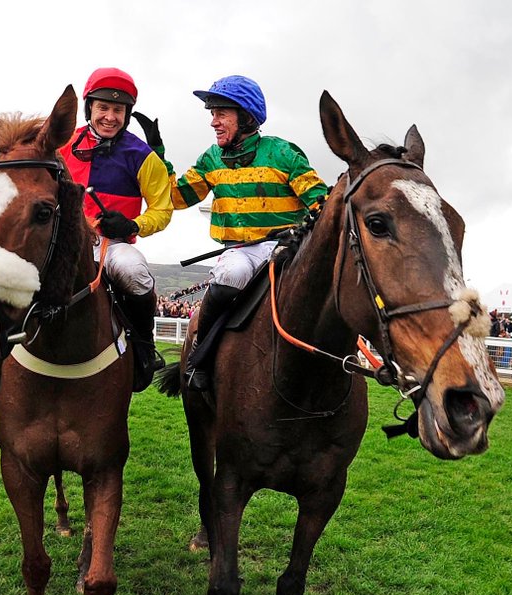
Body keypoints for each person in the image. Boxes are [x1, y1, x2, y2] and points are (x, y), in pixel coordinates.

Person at [168, 75, 330, 391]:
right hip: (239, 251)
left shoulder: (283, 153)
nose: (213, 122)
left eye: (220, 113)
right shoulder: (211, 159)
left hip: (285, 247)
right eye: (212, 114)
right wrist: (159, 156)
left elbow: (318, 201)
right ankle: (199, 356)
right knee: (231, 274)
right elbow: (177, 197)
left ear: (245, 117)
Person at [58, 67, 173, 392]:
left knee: (134, 270)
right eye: (103, 108)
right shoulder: (62, 145)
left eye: (118, 110)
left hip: (113, 245)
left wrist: (133, 224)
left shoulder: (143, 156)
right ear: (89, 108)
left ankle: (144, 346)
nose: (110, 117)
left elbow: (163, 210)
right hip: (64, 242)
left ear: (127, 114)